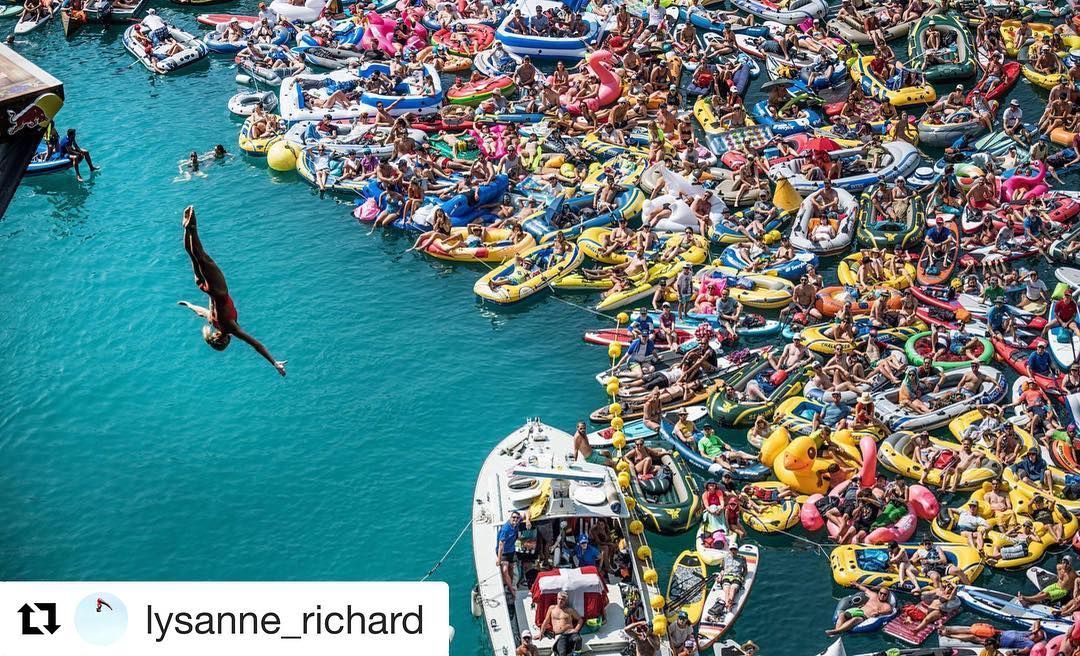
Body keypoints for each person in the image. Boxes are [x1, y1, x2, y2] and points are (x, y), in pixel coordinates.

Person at [176, 207, 286, 376]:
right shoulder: (214, 323)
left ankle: (192, 228)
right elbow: (201, 312)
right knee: (193, 256)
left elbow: (257, 345)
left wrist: (274, 363)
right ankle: (187, 229)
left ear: (225, 340)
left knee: (202, 257)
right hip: (204, 287)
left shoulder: (230, 329)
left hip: (217, 290)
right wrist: (189, 305)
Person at [826, 583, 894, 636]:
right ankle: (837, 631)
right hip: (857, 610)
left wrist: (879, 612)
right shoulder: (874, 595)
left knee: (855, 619)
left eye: (885, 594)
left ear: (887, 596)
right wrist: (857, 584)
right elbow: (865, 590)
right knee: (842, 615)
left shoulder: (886, 605)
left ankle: (836, 631)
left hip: (864, 616)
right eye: (881, 593)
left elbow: (889, 610)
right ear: (878, 592)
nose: (882, 595)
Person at [540, 591, 583, 656]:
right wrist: (541, 633)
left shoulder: (569, 610)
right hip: (560, 635)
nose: (560, 601)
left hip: (571, 633)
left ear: (565, 601)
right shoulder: (552, 608)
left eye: (562, 599)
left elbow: (580, 619)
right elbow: (546, 621)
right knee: (562, 653)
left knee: (578, 639)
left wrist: (576, 629)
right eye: (559, 599)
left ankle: (576, 654)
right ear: (557, 599)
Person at [496, 511, 523, 591]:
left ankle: (510, 583)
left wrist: (528, 520)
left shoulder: (517, 523)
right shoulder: (505, 529)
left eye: (517, 518)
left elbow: (526, 513)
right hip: (503, 552)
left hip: (511, 550)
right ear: (510, 518)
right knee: (504, 570)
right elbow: (501, 546)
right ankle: (511, 589)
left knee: (511, 568)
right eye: (513, 517)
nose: (515, 519)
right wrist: (499, 559)